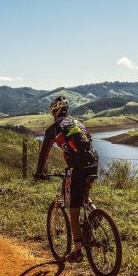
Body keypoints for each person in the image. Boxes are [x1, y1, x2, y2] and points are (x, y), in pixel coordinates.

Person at [34, 96, 99, 263]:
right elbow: (88, 143)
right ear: (66, 111)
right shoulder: (78, 123)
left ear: (54, 113)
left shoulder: (54, 129)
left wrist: (39, 173)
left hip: (76, 168)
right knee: (82, 196)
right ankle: (96, 212)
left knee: (73, 210)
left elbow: (44, 154)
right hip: (93, 163)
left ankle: (77, 252)